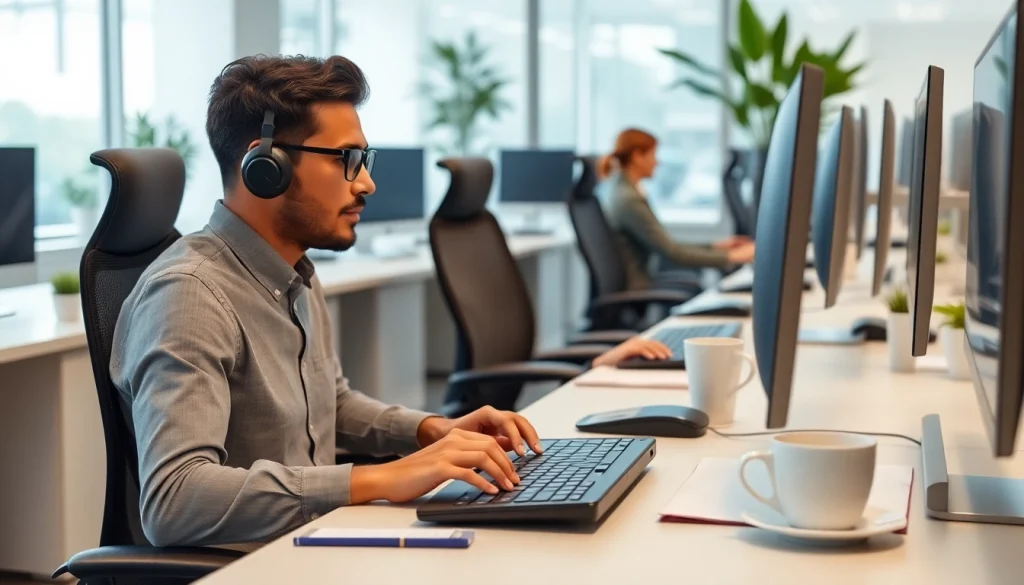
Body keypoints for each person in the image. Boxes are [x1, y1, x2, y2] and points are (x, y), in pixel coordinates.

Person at [109, 54, 672, 549]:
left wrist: (432, 431)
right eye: (346, 160)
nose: (366, 184)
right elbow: (173, 500)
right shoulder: (190, 293)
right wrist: (377, 479)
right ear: (266, 165)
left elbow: (331, 404)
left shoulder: (294, 273)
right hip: (254, 562)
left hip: (317, 542)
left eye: (365, 161)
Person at [598, 128, 756, 290]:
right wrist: (732, 256)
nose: (657, 162)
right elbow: (673, 253)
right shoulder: (629, 200)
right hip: (637, 286)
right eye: (653, 154)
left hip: (642, 282)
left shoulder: (623, 191)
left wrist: (716, 246)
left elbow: (670, 246)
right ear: (638, 156)